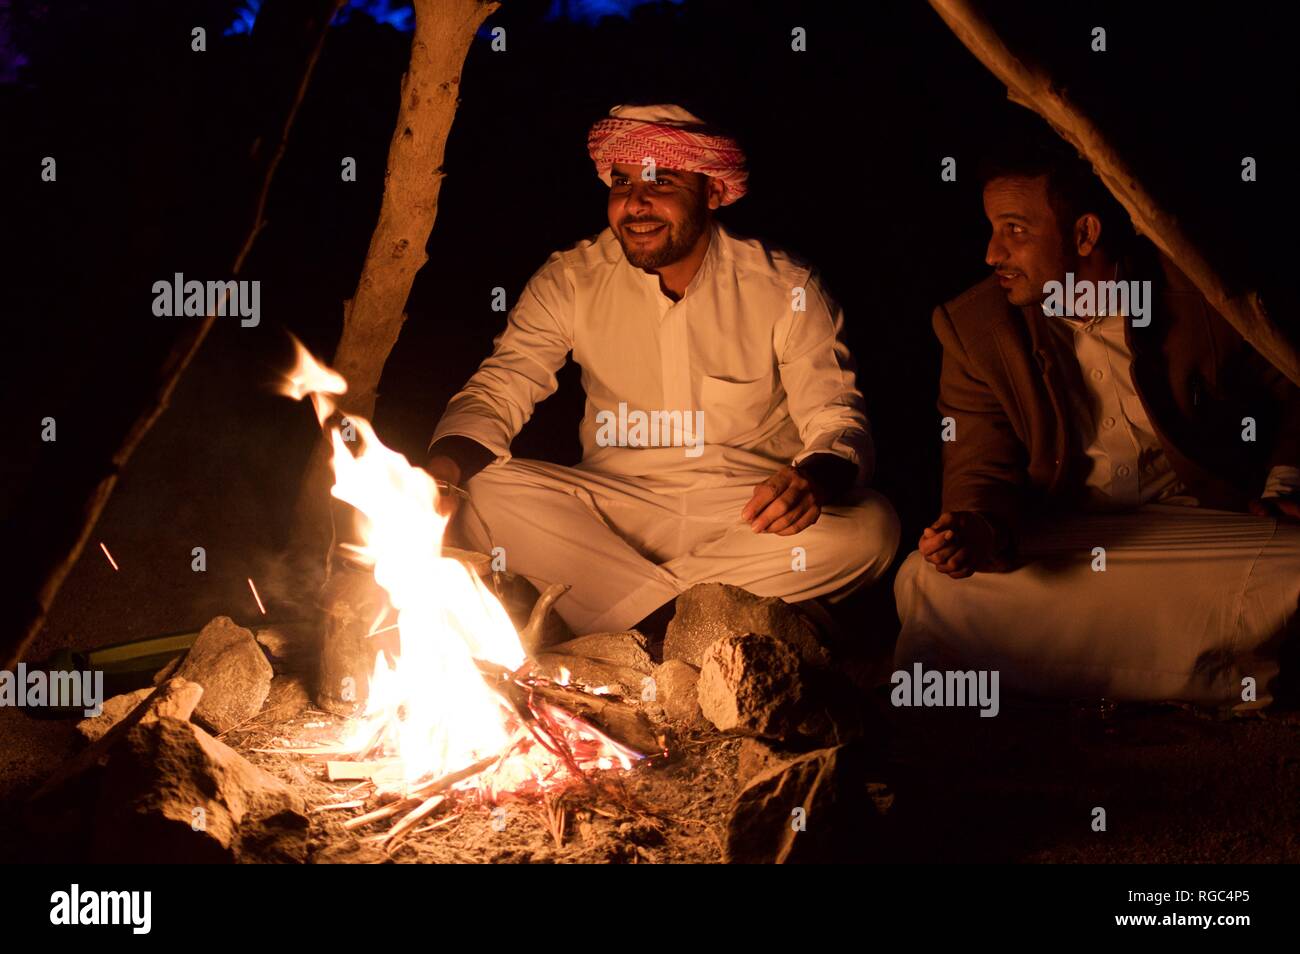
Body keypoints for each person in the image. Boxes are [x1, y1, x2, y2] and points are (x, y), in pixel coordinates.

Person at [426, 103, 899, 636]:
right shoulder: (571, 279)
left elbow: (837, 419)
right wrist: (441, 471)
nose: (636, 203)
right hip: (611, 512)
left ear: (713, 193)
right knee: (479, 493)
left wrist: (812, 479)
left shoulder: (786, 286)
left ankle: (621, 625)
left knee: (871, 529)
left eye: (662, 181)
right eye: (622, 183)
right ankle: (687, 626)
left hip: (748, 515)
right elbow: (499, 389)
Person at [894, 134, 1300, 708]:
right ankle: (1230, 671)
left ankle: (1082, 673)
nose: (992, 254)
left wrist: (1286, 482)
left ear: (1084, 233)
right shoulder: (975, 328)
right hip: (1070, 536)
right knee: (927, 583)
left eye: (1015, 230)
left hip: (1204, 535)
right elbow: (978, 465)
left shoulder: (1198, 290)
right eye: (992, 230)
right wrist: (975, 531)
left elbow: (1291, 385)